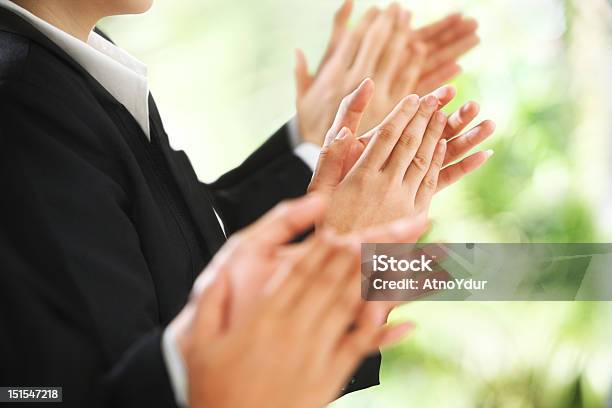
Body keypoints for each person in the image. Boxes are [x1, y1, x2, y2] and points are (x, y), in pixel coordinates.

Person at [0, 0, 494, 406]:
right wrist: (336, 256)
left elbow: (162, 253)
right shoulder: (21, 102)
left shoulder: (78, 58)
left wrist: (316, 146)